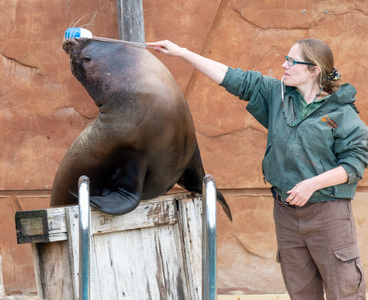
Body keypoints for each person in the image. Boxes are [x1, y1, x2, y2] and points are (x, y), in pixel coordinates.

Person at [147, 38, 367, 299]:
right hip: (286, 213)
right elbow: (232, 78)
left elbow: (355, 163)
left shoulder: (341, 112)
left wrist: (312, 184)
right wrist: (182, 52)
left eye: (291, 61)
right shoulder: (278, 95)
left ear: (314, 70)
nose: (283, 65)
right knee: (301, 291)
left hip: (328, 214)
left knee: (345, 290)